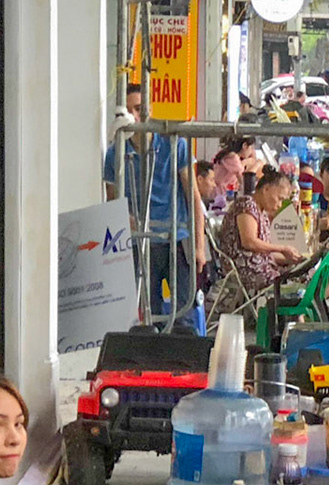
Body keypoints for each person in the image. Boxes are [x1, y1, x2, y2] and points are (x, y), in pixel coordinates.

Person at [103, 107, 201, 327]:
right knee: (148, 313)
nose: (133, 117)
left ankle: (184, 358)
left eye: (138, 109)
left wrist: (199, 246)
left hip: (177, 236)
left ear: (148, 111)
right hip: (140, 241)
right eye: (127, 111)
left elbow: (193, 196)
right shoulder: (115, 153)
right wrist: (124, 219)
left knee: (184, 312)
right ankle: (152, 359)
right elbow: (112, 200)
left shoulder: (174, 145)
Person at [209, 166, 305, 316]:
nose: (279, 205)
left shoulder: (262, 213)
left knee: (305, 270)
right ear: (266, 189)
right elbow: (249, 242)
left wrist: (293, 258)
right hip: (244, 269)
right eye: (279, 198)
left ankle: (292, 319)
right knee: (294, 280)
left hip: (259, 265)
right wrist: (281, 249)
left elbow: (264, 253)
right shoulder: (246, 204)